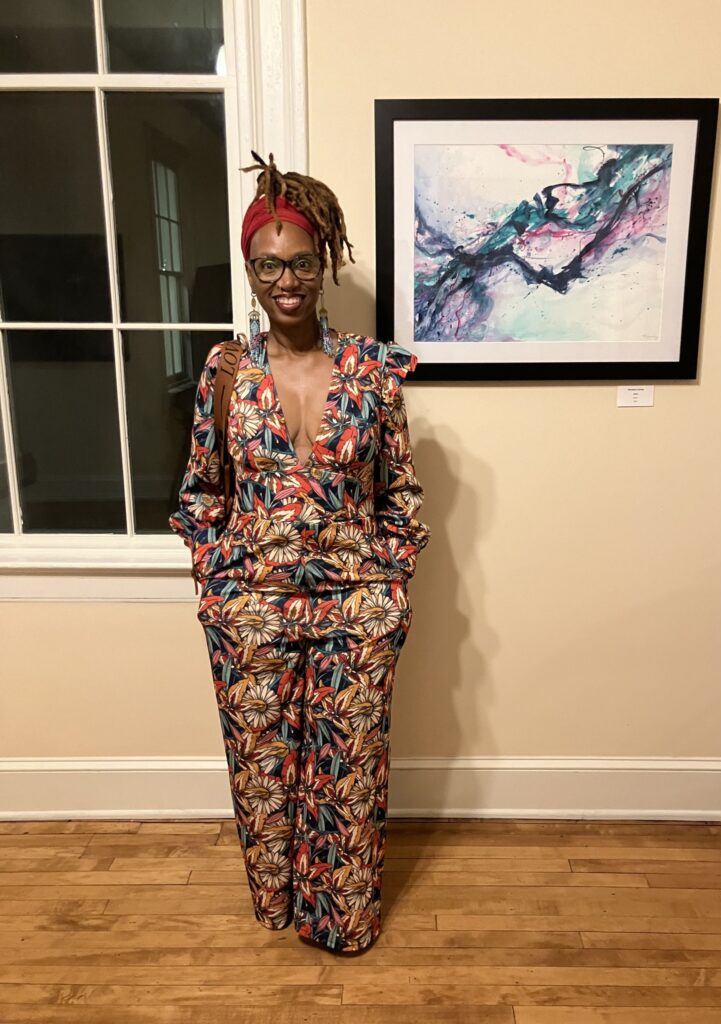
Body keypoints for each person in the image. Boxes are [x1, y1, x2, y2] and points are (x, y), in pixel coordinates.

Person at [168, 152, 431, 955]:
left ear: (326, 264)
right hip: (249, 613)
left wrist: (386, 586)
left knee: (346, 776)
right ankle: (279, 905)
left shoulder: (373, 374)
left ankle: (342, 918)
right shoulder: (227, 371)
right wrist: (219, 582)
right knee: (262, 771)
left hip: (356, 611)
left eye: (302, 262)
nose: (286, 280)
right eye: (267, 264)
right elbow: (200, 493)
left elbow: (402, 496)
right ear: (250, 269)